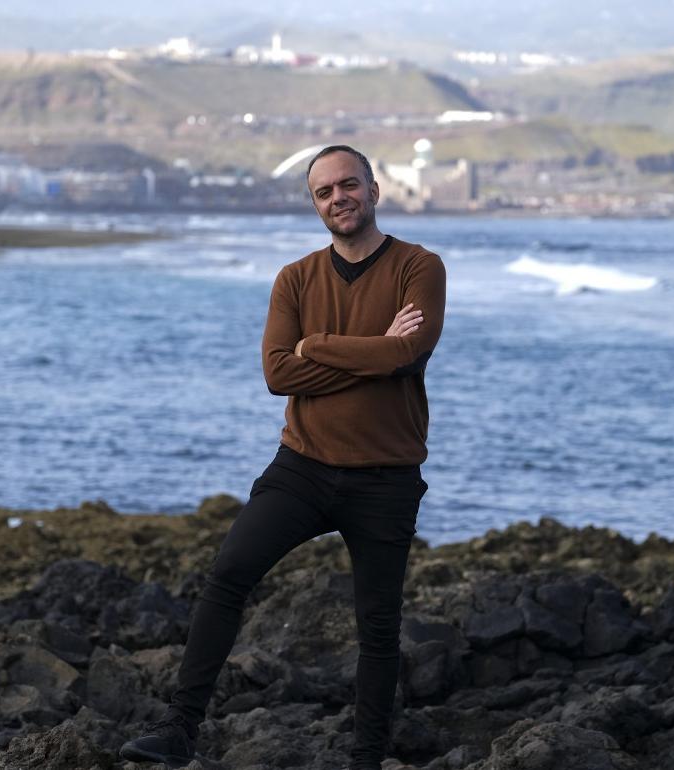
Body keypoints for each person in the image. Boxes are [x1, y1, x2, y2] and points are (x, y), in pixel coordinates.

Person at [120, 145, 446, 769]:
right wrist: (373, 352)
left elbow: (409, 354)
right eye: (323, 192)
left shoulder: (418, 267)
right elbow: (276, 373)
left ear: (375, 190)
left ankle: (366, 760)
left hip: (387, 477)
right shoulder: (294, 278)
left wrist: (317, 346)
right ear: (315, 204)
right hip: (303, 466)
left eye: (348, 185)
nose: (337, 199)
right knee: (228, 576)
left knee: (378, 628)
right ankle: (178, 731)